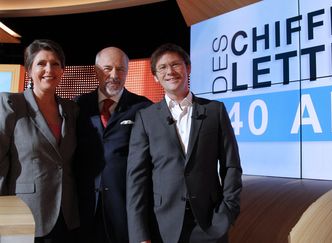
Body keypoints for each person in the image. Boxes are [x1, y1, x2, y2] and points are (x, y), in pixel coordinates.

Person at [126, 43, 243, 243]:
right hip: (162, 226)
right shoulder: (145, 118)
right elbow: (136, 180)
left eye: (175, 64)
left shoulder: (215, 111)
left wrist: (227, 213)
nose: (170, 71)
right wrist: (139, 235)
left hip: (210, 224)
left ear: (188, 68)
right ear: (155, 77)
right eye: (162, 68)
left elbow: (231, 166)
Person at [0, 39, 80, 243]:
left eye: (55, 64)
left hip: (66, 215)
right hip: (23, 215)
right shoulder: (11, 104)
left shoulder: (72, 110)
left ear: (62, 70)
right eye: (41, 63)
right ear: (29, 70)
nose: (49, 69)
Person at [74, 46, 153, 243]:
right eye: (107, 68)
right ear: (96, 70)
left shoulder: (144, 108)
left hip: (125, 212)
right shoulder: (76, 106)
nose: (114, 75)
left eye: (121, 69)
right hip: (82, 211)